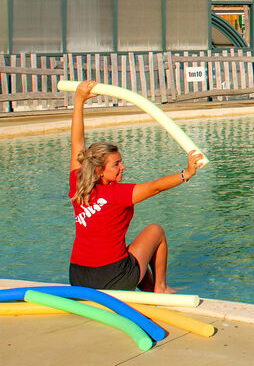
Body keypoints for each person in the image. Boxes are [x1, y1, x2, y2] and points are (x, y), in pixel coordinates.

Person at [68, 80, 201, 292]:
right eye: (116, 164)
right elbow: (156, 187)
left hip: (78, 279)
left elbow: (77, 142)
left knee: (129, 251)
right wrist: (186, 173)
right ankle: (160, 288)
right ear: (99, 170)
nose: (123, 167)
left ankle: (148, 288)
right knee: (155, 231)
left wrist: (79, 99)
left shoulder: (77, 186)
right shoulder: (117, 194)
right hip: (111, 278)